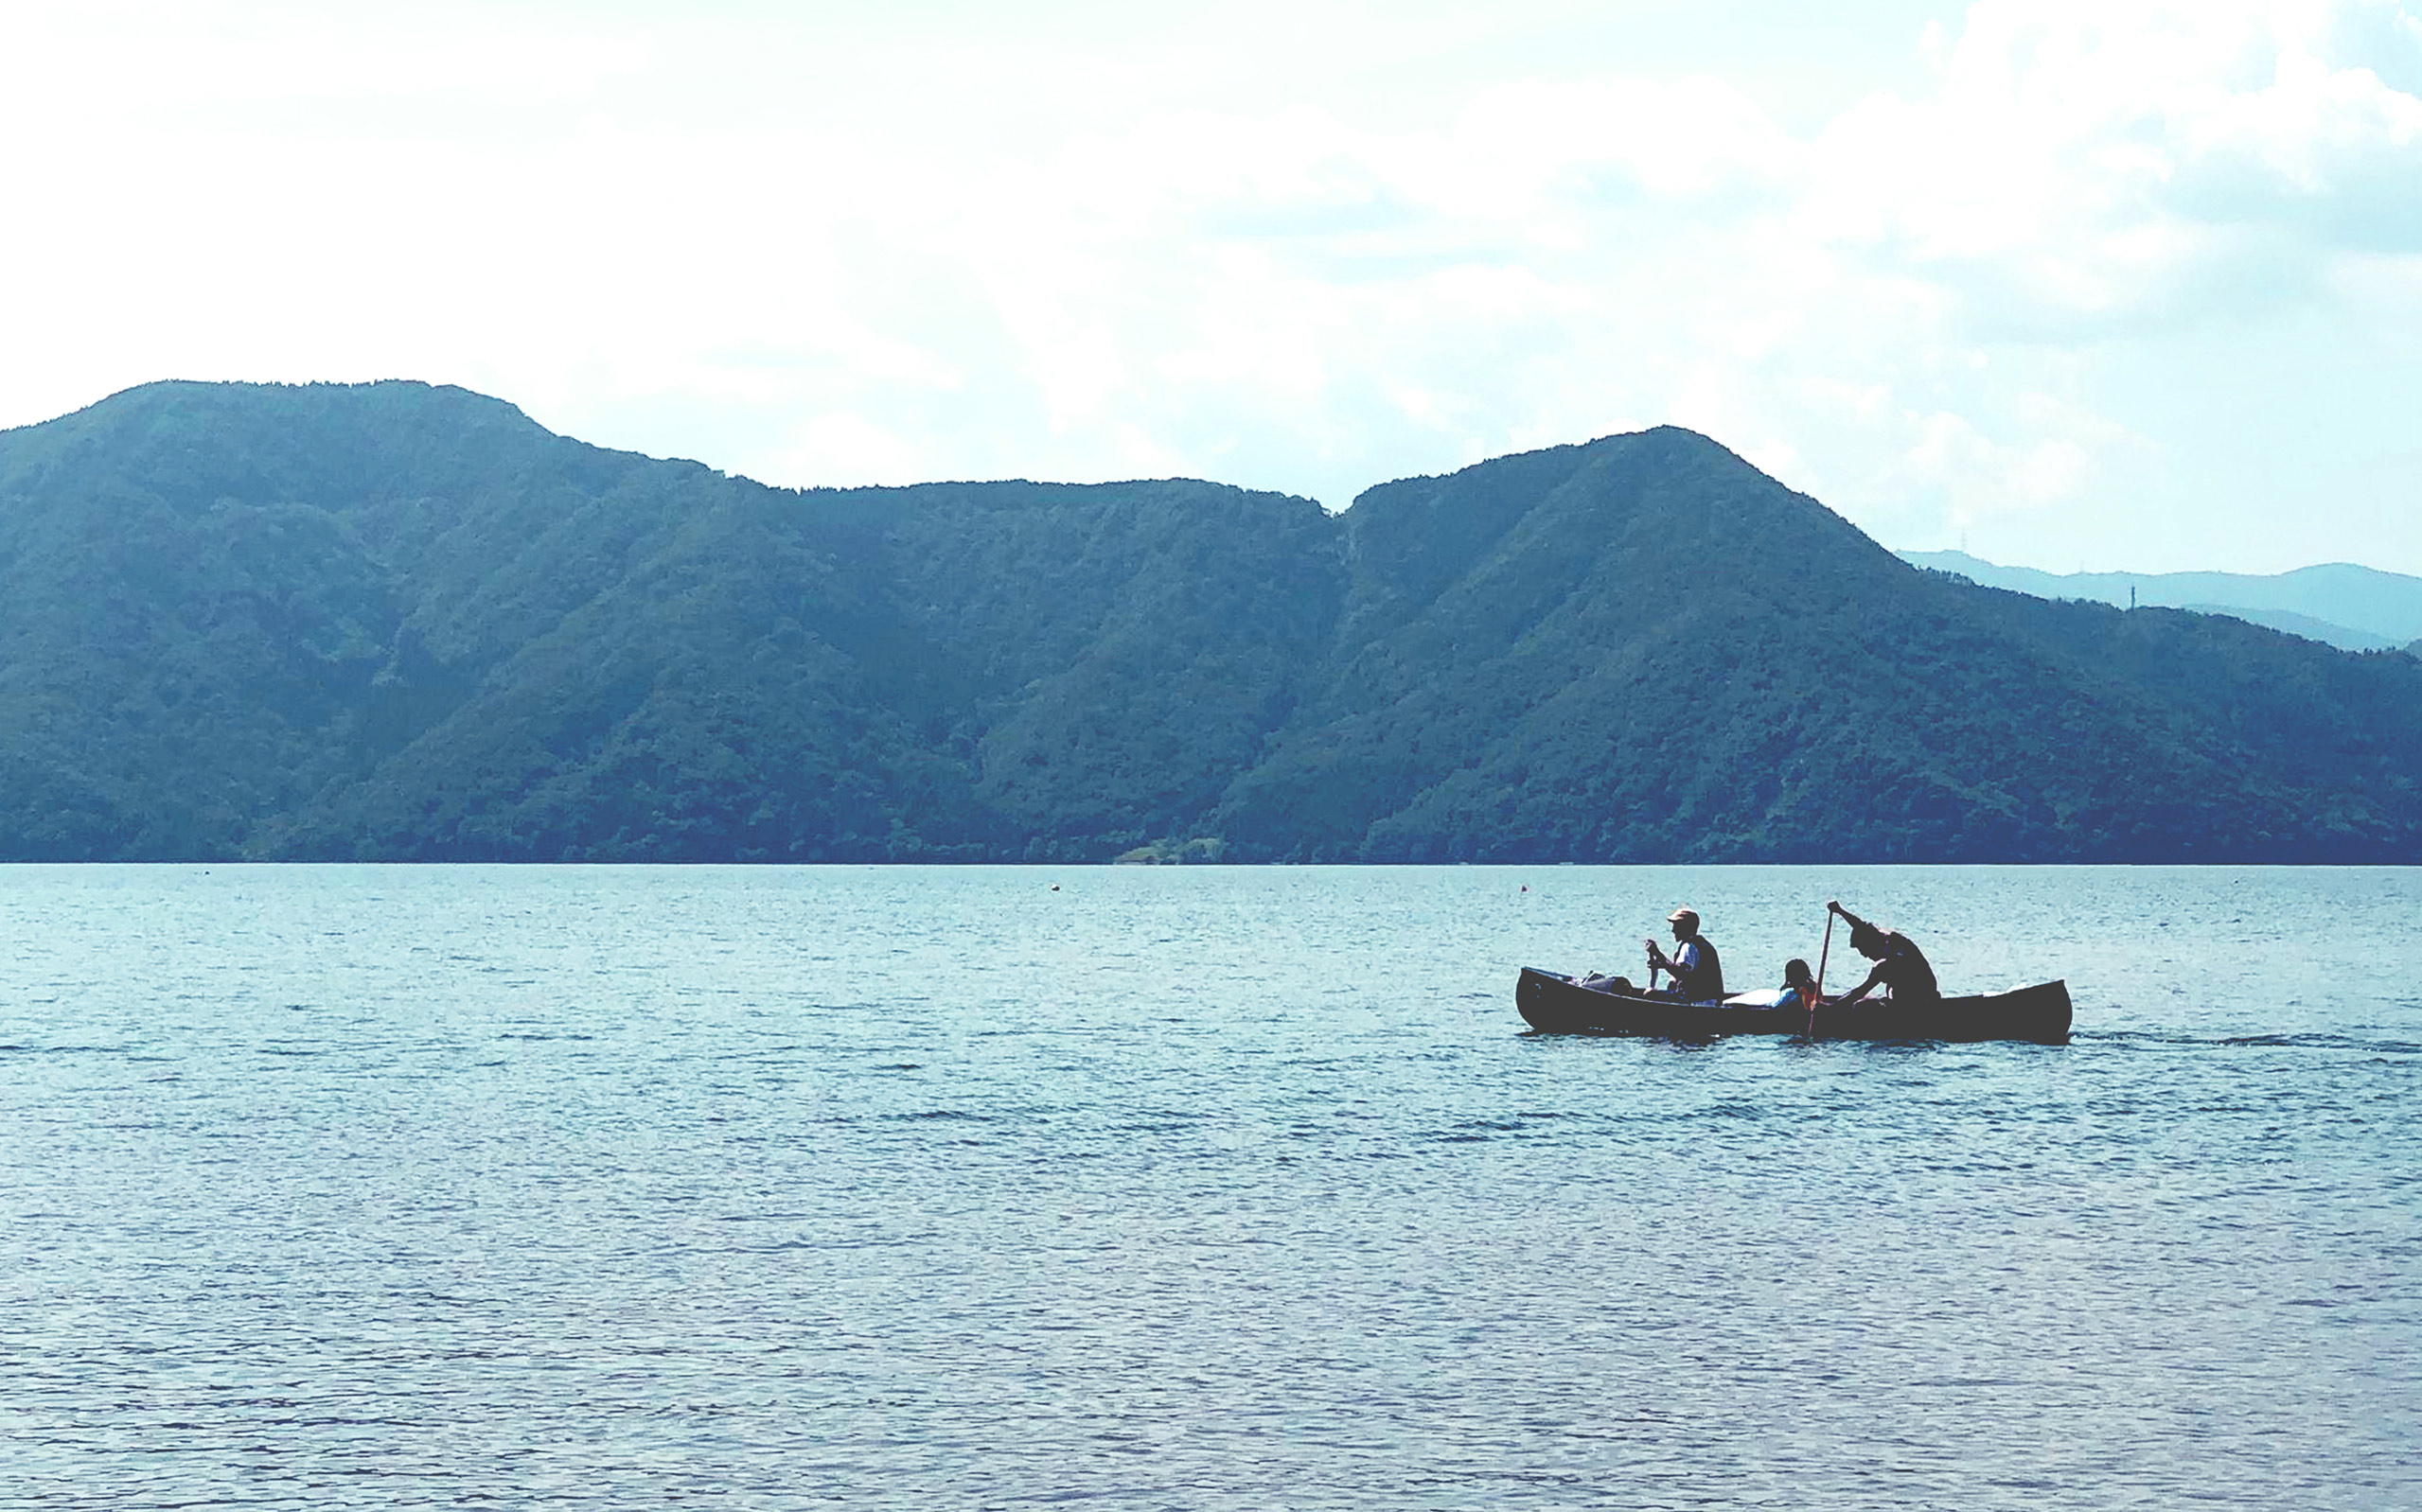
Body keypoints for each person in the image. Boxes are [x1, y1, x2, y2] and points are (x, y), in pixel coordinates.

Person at [1825, 900, 1938, 1008]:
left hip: (1918, 1001)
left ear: (1871, 944)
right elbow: (1861, 926)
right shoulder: (1884, 938)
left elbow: (1861, 991)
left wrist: (1831, 1008)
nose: (1865, 956)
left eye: (1865, 952)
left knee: (1862, 1006)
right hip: (1913, 994)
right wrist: (1840, 911)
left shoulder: (1885, 963)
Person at [1645, 907, 1724, 1001]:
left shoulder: (1690, 947)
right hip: (1710, 1001)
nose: (1673, 930)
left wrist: (1658, 954)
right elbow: (1682, 973)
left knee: (1650, 994)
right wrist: (1661, 963)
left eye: (1676, 926)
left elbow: (1680, 972)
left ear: (1686, 927)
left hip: (1698, 1002)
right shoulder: (1701, 944)